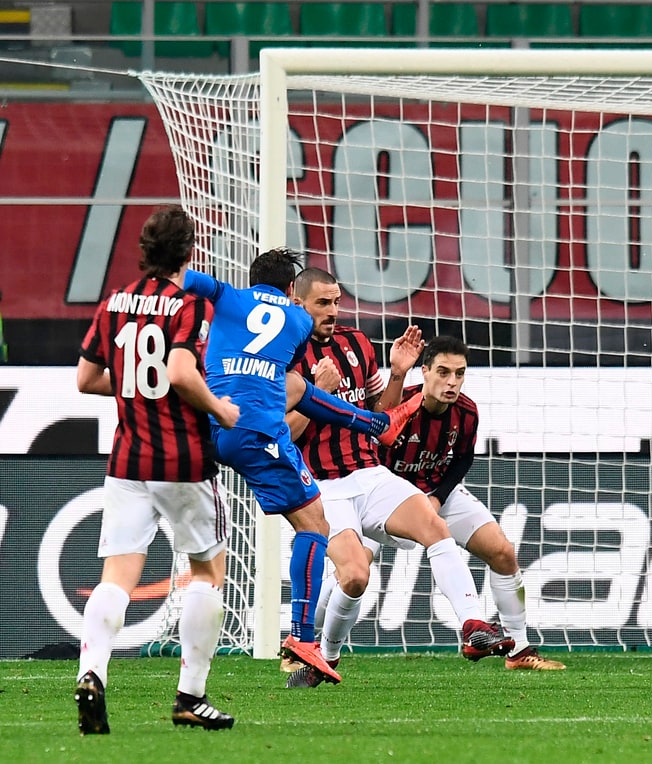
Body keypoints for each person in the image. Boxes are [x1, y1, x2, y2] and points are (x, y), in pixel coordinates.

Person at [181, 248, 421, 685]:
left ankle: (376, 424)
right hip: (258, 434)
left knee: (296, 385)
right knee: (314, 524)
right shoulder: (296, 321)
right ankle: (302, 637)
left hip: (212, 427)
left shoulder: (228, 296)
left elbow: (185, 280)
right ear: (292, 290)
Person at [283, 268, 514, 687]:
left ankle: (472, 626)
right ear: (298, 304)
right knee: (355, 576)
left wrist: (397, 374)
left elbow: (381, 419)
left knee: (436, 528)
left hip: (370, 473)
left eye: (336, 302)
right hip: (322, 486)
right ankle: (324, 658)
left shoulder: (357, 343)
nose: (333, 311)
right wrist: (318, 394)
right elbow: (282, 433)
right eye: (323, 303)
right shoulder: (283, 357)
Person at [74, 205, 241, 734]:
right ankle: (190, 696)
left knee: (117, 576)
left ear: (144, 249)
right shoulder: (189, 305)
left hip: (127, 460)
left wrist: (133, 388)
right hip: (182, 459)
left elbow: (86, 379)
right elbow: (181, 372)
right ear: (190, 251)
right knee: (207, 572)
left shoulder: (114, 302)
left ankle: (91, 673)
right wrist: (220, 409)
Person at [372, 334, 567, 670]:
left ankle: (519, 650)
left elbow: (462, 459)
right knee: (353, 573)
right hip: (383, 496)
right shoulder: (402, 406)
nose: (452, 382)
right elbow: (373, 445)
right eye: (443, 372)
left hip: (436, 492)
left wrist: (437, 497)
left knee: (502, 552)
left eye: (459, 373)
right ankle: (308, 644)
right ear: (425, 371)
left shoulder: (466, 412)